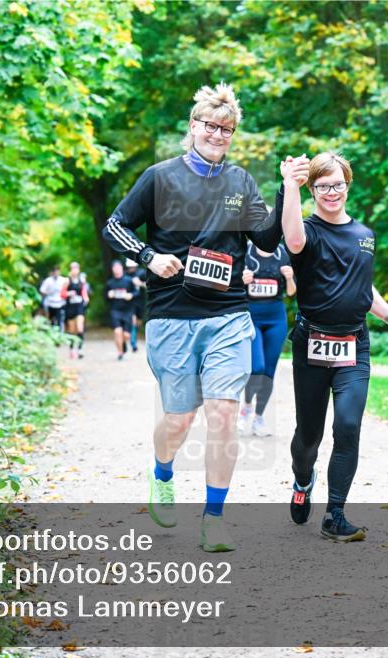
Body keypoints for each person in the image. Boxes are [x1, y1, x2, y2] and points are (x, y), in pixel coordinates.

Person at [101, 82, 283, 552]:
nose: (218, 135)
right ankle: (162, 473)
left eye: (226, 129)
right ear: (193, 126)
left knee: (223, 414)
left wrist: (288, 190)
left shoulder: (241, 182)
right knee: (180, 420)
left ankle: (214, 518)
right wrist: (149, 257)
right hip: (172, 314)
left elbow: (265, 240)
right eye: (210, 126)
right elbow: (114, 227)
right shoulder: (159, 177)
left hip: (228, 313)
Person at [279, 151, 388, 542]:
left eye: (338, 184)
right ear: (313, 189)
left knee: (347, 427)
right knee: (308, 437)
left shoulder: (364, 235)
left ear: (348, 186)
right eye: (323, 185)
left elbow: (363, 287)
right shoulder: (307, 231)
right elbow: (292, 239)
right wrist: (290, 184)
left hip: (354, 345)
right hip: (312, 343)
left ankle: (335, 514)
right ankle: (302, 480)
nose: (332, 192)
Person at [239, 241, 296, 436]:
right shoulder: (245, 250)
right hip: (251, 317)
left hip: (276, 319)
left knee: (269, 372)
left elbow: (291, 292)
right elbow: (231, 285)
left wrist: (289, 278)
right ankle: (246, 406)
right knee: (257, 367)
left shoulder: (282, 252)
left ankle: (259, 417)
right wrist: (242, 279)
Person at [105, 260, 136, 360]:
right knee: (117, 332)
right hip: (115, 311)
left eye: (118, 267)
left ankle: (123, 344)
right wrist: (108, 295)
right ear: (112, 269)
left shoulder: (128, 281)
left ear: (122, 268)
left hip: (127, 311)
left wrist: (131, 295)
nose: (117, 270)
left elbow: (137, 292)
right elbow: (105, 297)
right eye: (115, 268)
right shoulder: (110, 283)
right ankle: (120, 353)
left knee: (126, 335)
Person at [62, 262, 89, 359]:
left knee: (80, 327)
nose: (75, 270)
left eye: (76, 268)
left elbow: (83, 292)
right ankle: (71, 349)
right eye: (73, 268)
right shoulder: (67, 280)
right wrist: (68, 293)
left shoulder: (82, 280)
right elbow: (62, 294)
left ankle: (80, 349)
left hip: (79, 306)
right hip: (70, 307)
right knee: (72, 330)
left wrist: (86, 298)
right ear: (70, 269)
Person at [124, 259, 147, 353]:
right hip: (130, 302)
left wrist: (140, 283)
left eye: (132, 267)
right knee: (132, 321)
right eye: (129, 267)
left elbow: (150, 285)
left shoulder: (142, 273)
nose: (131, 269)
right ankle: (133, 343)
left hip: (140, 300)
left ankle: (134, 336)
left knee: (138, 322)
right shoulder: (125, 275)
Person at [39, 266, 67, 332]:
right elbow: (42, 290)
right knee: (50, 319)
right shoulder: (48, 280)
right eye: (55, 271)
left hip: (60, 303)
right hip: (50, 303)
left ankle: (60, 332)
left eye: (57, 271)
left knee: (60, 319)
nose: (56, 273)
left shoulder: (63, 280)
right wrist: (48, 293)